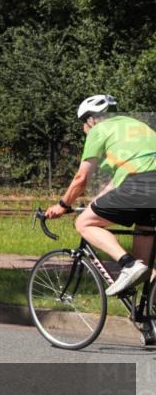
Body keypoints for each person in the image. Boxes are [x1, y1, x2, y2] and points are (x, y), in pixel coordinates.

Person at [46, 95, 156, 302]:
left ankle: (127, 264)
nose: (83, 129)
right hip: (146, 188)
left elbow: (81, 178)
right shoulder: (136, 126)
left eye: (83, 124)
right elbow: (116, 183)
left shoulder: (98, 130)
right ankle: (150, 322)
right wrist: (93, 204)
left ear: (91, 119)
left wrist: (62, 205)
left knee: (84, 223)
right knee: (145, 268)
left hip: (141, 184)